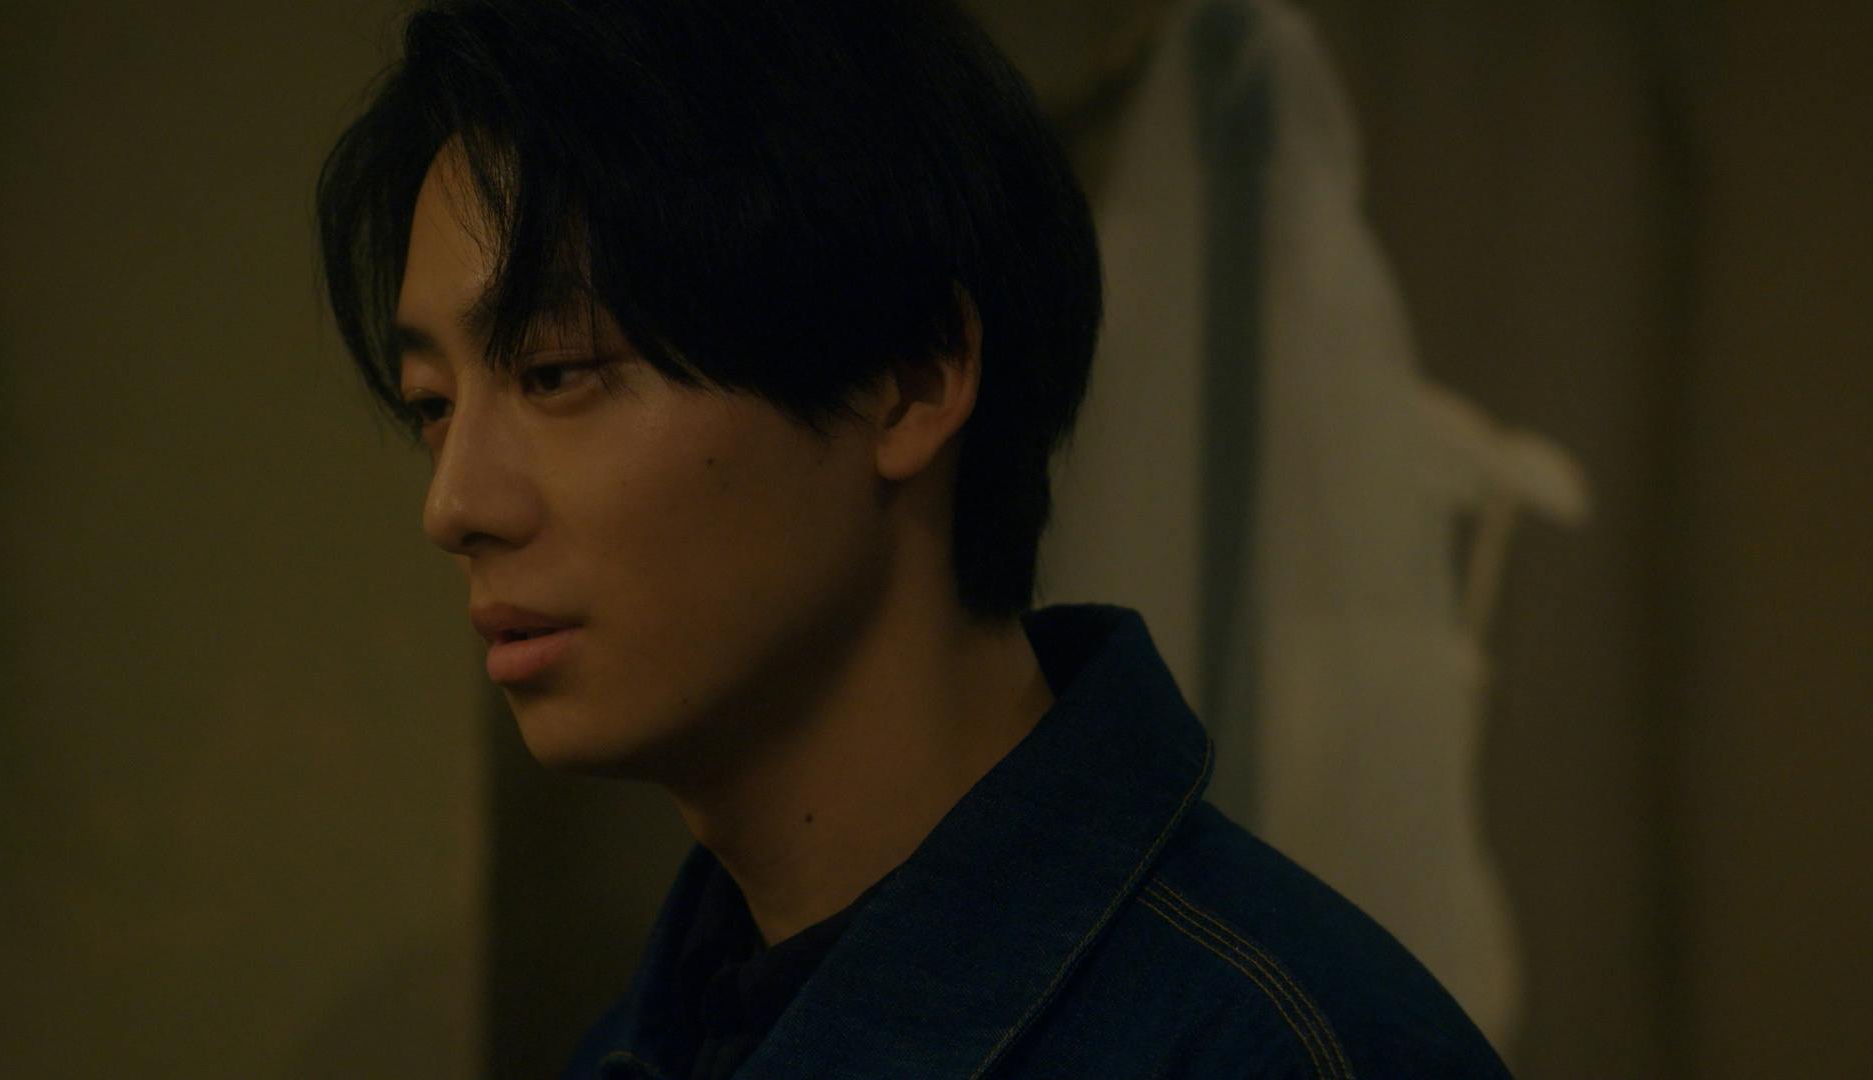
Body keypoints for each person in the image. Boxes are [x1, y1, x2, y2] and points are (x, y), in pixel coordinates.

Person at [314, 1, 1512, 1076]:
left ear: (909, 380)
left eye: (556, 371)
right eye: (432, 405)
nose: (454, 505)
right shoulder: (648, 1038)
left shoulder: (1280, 1046)